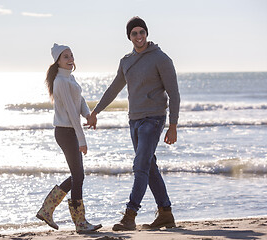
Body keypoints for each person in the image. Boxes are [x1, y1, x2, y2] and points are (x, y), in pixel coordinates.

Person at [86, 16, 180, 231]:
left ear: (147, 33)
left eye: (142, 32)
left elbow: (174, 94)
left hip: (153, 120)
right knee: (148, 165)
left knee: (140, 166)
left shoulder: (161, 58)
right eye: (134, 33)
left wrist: (173, 125)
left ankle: (130, 215)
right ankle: (165, 213)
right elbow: (113, 89)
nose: (139, 36)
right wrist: (95, 111)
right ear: (129, 36)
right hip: (134, 121)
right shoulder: (126, 61)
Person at [36, 43, 102, 233]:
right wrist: (82, 140)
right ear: (58, 60)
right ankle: (79, 222)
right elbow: (72, 113)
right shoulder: (60, 81)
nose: (70, 58)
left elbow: (79, 101)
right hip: (65, 132)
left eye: (71, 55)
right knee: (78, 176)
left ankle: (47, 210)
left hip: (69, 131)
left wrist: (88, 115)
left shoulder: (70, 78)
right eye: (65, 56)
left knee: (77, 175)